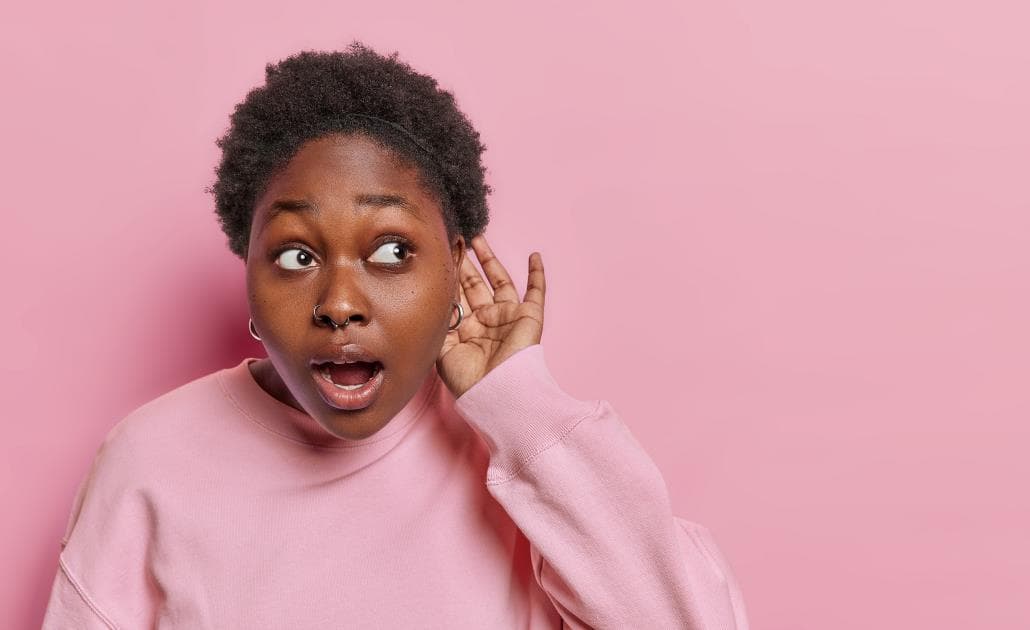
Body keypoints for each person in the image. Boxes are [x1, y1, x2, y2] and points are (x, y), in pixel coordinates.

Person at [41, 42, 749, 629]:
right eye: (296, 256)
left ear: (455, 269)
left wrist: (524, 411)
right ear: (248, 276)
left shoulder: (524, 462)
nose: (340, 303)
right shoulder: (151, 463)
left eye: (390, 252)